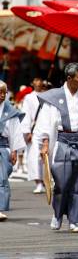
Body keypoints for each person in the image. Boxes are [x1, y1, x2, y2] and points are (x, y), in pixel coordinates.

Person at [35, 63, 78, 233]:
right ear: (69, 78)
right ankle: (58, 214)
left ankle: (75, 220)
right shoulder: (54, 97)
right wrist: (45, 144)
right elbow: (45, 123)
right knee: (61, 184)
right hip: (63, 143)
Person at [0, 80, 26, 221]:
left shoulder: (10, 111)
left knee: (3, 177)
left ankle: (1, 207)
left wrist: (14, 150)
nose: (2, 95)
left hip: (3, 147)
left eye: (4, 92)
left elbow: (15, 132)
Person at [21, 77, 46, 193]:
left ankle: (47, 180)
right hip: (35, 130)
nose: (38, 82)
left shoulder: (48, 95)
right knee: (35, 157)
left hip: (48, 129)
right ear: (32, 83)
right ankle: (38, 182)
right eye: (35, 80)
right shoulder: (29, 97)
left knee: (48, 157)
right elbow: (25, 114)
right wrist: (27, 131)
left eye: (40, 80)